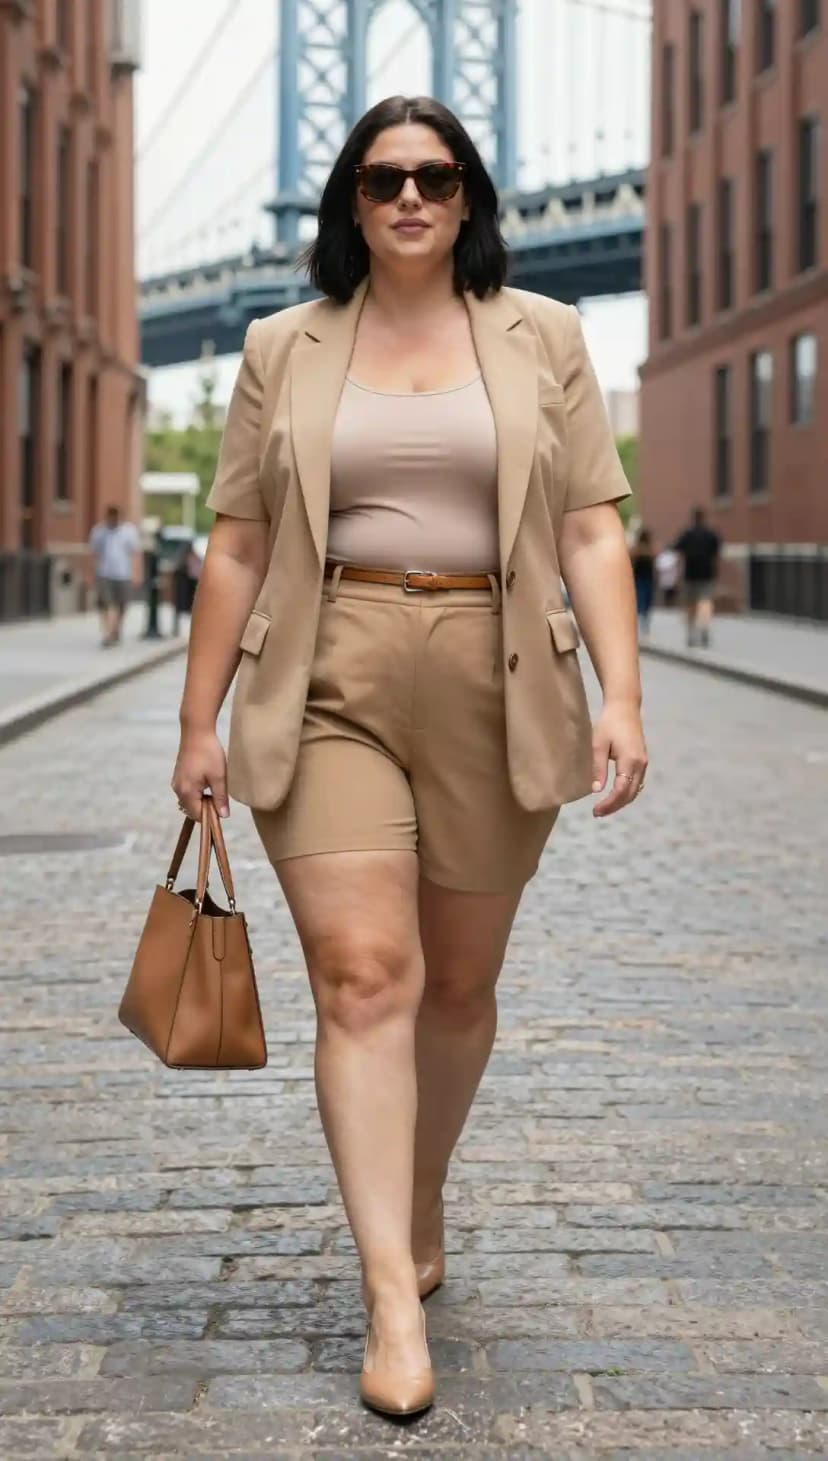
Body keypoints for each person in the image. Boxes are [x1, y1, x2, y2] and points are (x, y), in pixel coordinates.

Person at [171, 95, 648, 1418]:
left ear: (469, 195)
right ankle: (390, 1291)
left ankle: (420, 1192)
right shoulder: (283, 345)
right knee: (367, 975)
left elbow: (593, 526)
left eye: (436, 177)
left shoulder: (545, 335)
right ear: (353, 201)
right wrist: (199, 718)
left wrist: (623, 696)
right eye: (384, 180)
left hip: (503, 675)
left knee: (459, 985)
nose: (411, 200)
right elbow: (240, 541)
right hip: (330, 669)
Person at [88, 505, 140, 647]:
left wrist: (136, 574)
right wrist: (91, 574)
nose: (113, 520)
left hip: (123, 574)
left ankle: (115, 629)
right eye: (111, 517)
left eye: (116, 517)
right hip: (104, 573)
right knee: (107, 604)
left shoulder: (128, 531)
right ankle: (108, 634)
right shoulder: (99, 532)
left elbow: (135, 553)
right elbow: (93, 553)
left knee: (122, 605)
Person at [674, 507, 721, 648]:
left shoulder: (687, 534)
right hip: (707, 574)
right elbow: (717, 554)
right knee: (706, 602)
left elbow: (677, 549)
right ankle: (704, 628)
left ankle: (691, 633)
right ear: (703, 518)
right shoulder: (711, 534)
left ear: (693, 518)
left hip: (690, 574)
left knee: (691, 605)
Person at [630, 527, 655, 636]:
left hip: (641, 577)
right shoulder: (648, 549)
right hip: (645, 577)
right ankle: (643, 620)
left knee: (641, 598)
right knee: (644, 599)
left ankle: (642, 619)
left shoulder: (639, 549)